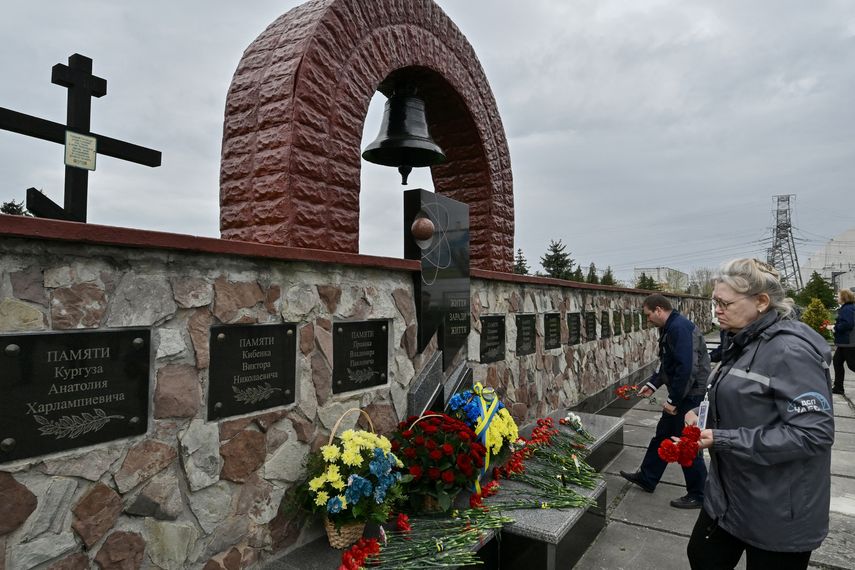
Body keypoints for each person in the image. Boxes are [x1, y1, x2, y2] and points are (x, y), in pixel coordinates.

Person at [687, 258, 834, 570]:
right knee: (702, 557)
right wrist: (702, 416)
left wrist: (722, 439)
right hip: (729, 496)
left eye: (724, 303)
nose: (717, 310)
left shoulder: (791, 352)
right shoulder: (740, 339)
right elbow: (745, 398)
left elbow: (813, 434)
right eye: (715, 302)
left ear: (761, 302)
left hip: (778, 508)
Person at [620, 293, 711, 509]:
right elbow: (666, 363)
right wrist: (652, 384)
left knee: (686, 444)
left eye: (649, 314)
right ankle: (648, 477)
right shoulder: (669, 327)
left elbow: (686, 369)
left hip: (689, 394)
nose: (648, 319)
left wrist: (673, 400)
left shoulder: (680, 328)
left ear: (659, 309)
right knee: (663, 435)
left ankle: (700, 494)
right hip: (682, 393)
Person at [832, 288, 855, 395]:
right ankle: (838, 387)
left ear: (844, 297)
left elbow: (848, 324)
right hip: (845, 341)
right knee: (837, 361)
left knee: (852, 365)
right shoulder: (847, 307)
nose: (837, 297)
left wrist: (835, 328)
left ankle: (838, 387)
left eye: (838, 296)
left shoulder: (847, 309)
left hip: (848, 341)